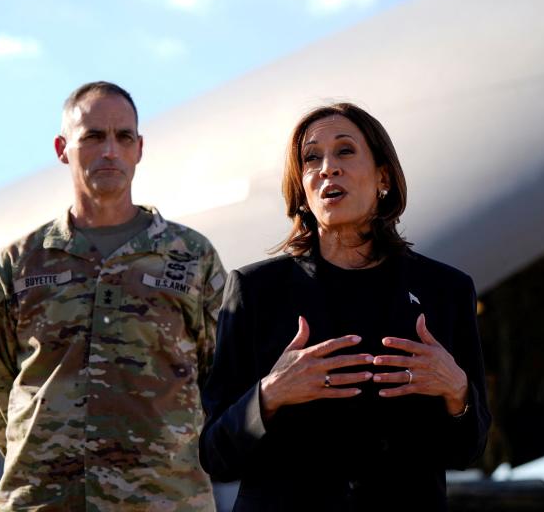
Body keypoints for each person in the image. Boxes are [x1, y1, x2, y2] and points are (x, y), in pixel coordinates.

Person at [199, 102, 490, 511]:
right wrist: (269, 395)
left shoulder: (446, 290)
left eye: (345, 151)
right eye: (311, 158)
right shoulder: (255, 290)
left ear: (383, 177)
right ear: (301, 189)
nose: (327, 168)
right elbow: (215, 456)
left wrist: (456, 391)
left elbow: (468, 449)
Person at [0, 82, 227, 511]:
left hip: (164, 500)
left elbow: (219, 379)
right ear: (62, 147)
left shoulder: (192, 258)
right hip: (45, 500)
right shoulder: (19, 265)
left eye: (123, 137)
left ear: (139, 148)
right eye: (92, 136)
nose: (110, 150)